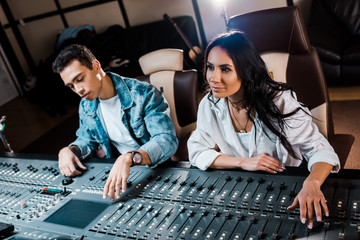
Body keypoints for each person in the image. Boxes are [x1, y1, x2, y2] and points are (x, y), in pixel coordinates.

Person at [187, 31, 340, 229]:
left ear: (246, 71)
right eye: (210, 67)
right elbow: (197, 150)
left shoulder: (280, 102)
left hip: (286, 184)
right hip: (244, 186)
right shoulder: (209, 104)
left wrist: (312, 183)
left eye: (225, 69)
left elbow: (320, 149)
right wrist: (243, 163)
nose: (213, 78)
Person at [52, 44, 178, 201]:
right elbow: (87, 139)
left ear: (96, 66)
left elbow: (166, 140)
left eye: (80, 79)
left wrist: (130, 158)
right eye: (71, 86)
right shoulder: (86, 104)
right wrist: (70, 149)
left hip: (153, 168)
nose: (78, 90)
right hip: (120, 172)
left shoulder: (144, 94)